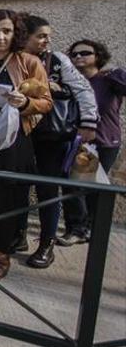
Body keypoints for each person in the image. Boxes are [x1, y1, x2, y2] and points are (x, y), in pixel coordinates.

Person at [0, 10, 51, 283]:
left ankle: (2, 254)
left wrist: (24, 103)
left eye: (6, 31)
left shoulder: (28, 62)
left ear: (16, 35)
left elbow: (46, 101)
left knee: (7, 196)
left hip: (12, 140)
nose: (0, 37)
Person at [20, 16, 98, 268]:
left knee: (48, 190)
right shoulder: (14, 58)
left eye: (47, 36)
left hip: (51, 136)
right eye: (41, 36)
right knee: (16, 186)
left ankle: (47, 243)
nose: (46, 40)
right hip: (18, 134)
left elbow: (82, 90)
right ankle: (16, 236)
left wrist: (88, 123)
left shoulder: (57, 61)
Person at [60, 39, 125, 244]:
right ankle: (78, 228)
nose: (79, 57)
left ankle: (87, 228)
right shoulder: (71, 82)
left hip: (104, 141)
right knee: (73, 185)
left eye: (85, 53)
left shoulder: (108, 80)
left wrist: (117, 74)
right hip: (76, 141)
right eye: (74, 54)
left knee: (92, 187)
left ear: (97, 56)